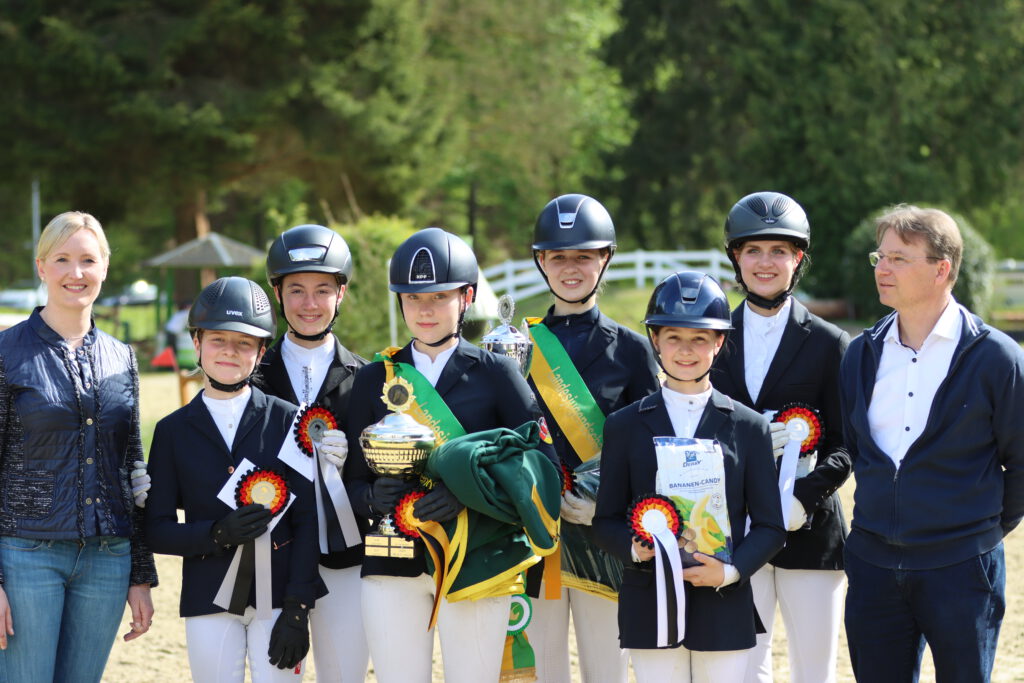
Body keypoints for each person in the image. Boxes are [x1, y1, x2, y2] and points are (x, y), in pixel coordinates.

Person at [345, 227, 559, 683]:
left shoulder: (498, 373)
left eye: (439, 297)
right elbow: (347, 478)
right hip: (393, 557)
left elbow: (537, 463)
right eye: (413, 298)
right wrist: (371, 499)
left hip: (477, 553)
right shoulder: (372, 378)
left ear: (466, 297)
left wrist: (468, 493)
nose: (425, 310)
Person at [840, 205, 1024, 682]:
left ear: (942, 269)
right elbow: (858, 447)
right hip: (873, 565)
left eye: (899, 259)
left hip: (961, 569)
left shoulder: (996, 358)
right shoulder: (860, 353)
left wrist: (973, 533)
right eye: (879, 257)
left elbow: (1021, 463)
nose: (882, 268)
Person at [593, 270, 786, 683]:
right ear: (656, 341)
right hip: (650, 602)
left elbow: (771, 527)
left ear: (718, 343)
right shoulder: (624, 426)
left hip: (723, 601)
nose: (686, 350)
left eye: (699, 338)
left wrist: (731, 572)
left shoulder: (749, 427)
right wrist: (633, 549)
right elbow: (605, 520)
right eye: (674, 337)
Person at [0, 211, 157, 683]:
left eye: (88, 260)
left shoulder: (123, 357)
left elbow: (133, 466)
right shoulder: (6, 354)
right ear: (41, 267)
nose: (76, 273)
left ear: (105, 267)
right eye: (62, 260)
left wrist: (140, 573)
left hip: (107, 561)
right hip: (26, 556)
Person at [144, 276, 323, 682]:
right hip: (208, 593)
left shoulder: (287, 419)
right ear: (196, 343)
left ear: (261, 352)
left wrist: (298, 608)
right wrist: (217, 534)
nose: (229, 352)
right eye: (218, 340)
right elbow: (156, 529)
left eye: (244, 343)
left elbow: (308, 519)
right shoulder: (173, 431)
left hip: (279, 597)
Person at [709, 191, 851, 683]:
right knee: (746, 669)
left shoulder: (830, 343)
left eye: (779, 251)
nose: (765, 263)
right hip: (738, 531)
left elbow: (844, 444)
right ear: (736, 257)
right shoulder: (710, 336)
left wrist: (802, 498)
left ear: (798, 259)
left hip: (809, 530)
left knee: (814, 669)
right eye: (753, 250)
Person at [525, 193, 660, 683]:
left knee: (607, 669)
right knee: (542, 670)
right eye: (558, 256)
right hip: (534, 536)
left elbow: (651, 447)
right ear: (541, 261)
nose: (571, 268)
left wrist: (611, 500)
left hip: (604, 534)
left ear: (605, 258)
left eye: (584, 255)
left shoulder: (633, 351)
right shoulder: (517, 347)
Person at [260, 223, 370, 682]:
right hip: (272, 557)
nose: (309, 304)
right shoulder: (254, 377)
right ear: (277, 292)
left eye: (323, 290)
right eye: (297, 290)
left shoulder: (368, 378)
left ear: (341, 293)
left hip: (346, 558)